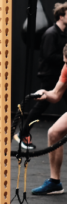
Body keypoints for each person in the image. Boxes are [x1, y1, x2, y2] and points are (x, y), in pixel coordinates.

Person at [14, 2, 67, 150]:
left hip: (59, 75)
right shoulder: (51, 33)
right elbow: (49, 56)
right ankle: (22, 133)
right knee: (41, 105)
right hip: (49, 75)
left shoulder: (63, 33)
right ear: (61, 16)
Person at [30, 43, 67, 195]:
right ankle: (54, 182)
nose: (66, 65)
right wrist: (45, 93)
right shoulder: (66, 68)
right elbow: (56, 94)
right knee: (54, 133)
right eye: (65, 62)